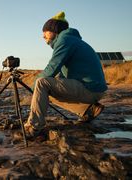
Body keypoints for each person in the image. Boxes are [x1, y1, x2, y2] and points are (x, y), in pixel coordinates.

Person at [23, 11, 108, 139]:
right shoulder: (70, 40)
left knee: (42, 83)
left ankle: (34, 127)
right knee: (45, 91)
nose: (43, 36)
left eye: (45, 31)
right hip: (93, 89)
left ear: (54, 30)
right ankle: (87, 110)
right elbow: (60, 76)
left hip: (90, 88)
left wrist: (34, 84)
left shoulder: (65, 39)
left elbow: (52, 67)